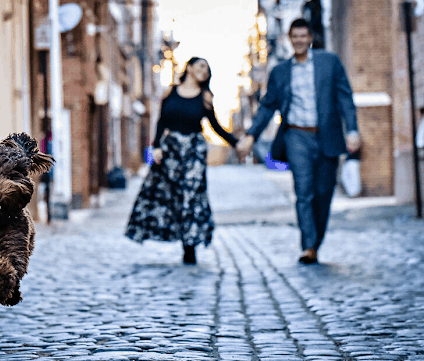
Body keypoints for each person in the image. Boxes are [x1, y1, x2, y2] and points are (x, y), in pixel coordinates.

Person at [236, 18, 361, 264]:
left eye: (303, 36)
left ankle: (316, 240)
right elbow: (268, 105)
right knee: (303, 192)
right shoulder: (281, 72)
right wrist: (251, 136)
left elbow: (345, 97)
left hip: (327, 134)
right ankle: (308, 246)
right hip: (296, 136)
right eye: (295, 37)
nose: (299, 40)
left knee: (324, 192)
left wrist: (353, 130)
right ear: (289, 39)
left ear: (310, 37)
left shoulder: (329, 62)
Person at [125, 57, 239, 265]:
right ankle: (174, 236)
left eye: (207, 68)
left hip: (194, 150)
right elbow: (161, 121)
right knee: (171, 195)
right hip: (171, 150)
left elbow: (215, 125)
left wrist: (236, 142)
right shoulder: (170, 92)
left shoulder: (205, 97)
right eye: (201, 65)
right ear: (189, 67)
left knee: (191, 194)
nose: (204, 70)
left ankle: (190, 244)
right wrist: (156, 146)